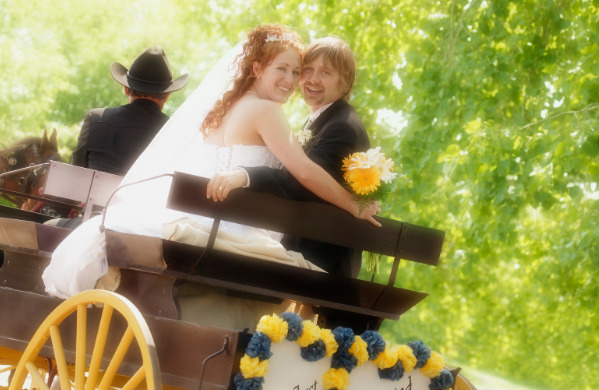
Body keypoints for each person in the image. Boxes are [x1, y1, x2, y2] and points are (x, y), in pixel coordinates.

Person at [43, 25, 379, 330]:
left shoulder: (226, 107)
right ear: (257, 69)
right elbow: (304, 172)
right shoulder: (266, 111)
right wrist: (356, 206)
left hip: (207, 215)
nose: (291, 81)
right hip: (232, 226)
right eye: (283, 69)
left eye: (295, 71)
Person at [208, 37, 371, 278]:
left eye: (325, 72)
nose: (312, 79)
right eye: (307, 70)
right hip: (284, 244)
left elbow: (302, 182)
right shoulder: (321, 121)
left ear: (345, 82)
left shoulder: (342, 128)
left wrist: (245, 175)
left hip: (320, 263)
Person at [71, 47, 188, 176]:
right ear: (167, 95)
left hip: (96, 196)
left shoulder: (95, 118)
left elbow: (75, 174)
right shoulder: (175, 131)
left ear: (126, 89)